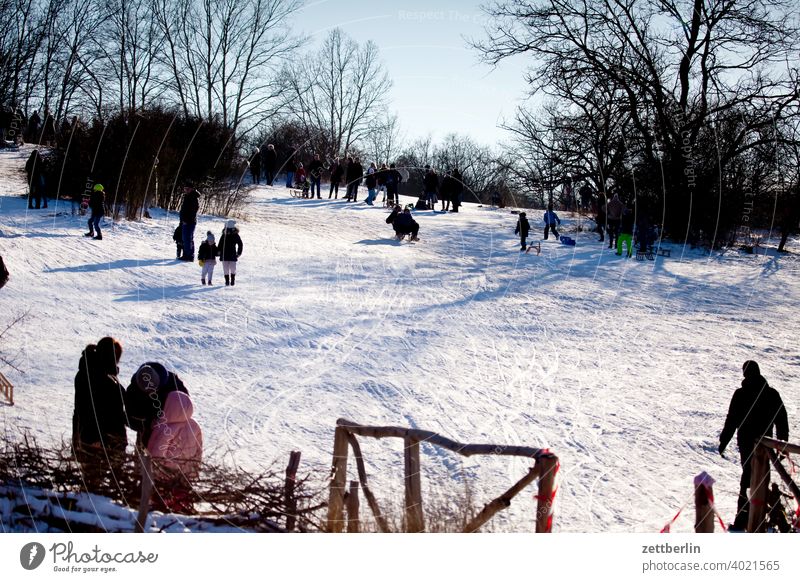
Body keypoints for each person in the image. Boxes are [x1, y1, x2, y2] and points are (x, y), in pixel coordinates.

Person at [719, 361, 789, 530]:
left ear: (745, 374)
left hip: (747, 442)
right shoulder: (771, 394)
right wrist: (781, 443)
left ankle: (745, 517)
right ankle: (758, 514)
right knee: (761, 474)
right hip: (766, 443)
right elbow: (782, 420)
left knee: (748, 475)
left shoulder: (740, 394)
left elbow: (731, 420)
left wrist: (724, 441)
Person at [72, 337, 127, 471]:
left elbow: (80, 410)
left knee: (92, 479)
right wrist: (96, 438)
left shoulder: (86, 373)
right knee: (100, 479)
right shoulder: (102, 378)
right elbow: (93, 410)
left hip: (90, 436)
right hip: (102, 439)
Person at [147, 390, 203, 514]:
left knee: (163, 500)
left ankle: (164, 518)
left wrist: (155, 471)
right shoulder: (195, 426)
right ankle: (180, 515)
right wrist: (194, 470)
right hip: (185, 473)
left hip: (166, 474)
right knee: (181, 498)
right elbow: (199, 451)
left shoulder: (165, 427)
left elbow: (157, 452)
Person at [124, 362, 189, 448]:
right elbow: (131, 417)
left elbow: (186, 407)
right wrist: (149, 424)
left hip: (174, 433)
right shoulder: (133, 390)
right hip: (145, 436)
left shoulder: (174, 384)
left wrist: (166, 421)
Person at [218, 219, 243, 286]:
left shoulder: (235, 235)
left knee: (233, 268)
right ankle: (227, 281)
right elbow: (220, 244)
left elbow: (240, 244)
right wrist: (218, 251)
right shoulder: (224, 235)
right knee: (225, 268)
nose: (228, 231)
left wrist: (239, 252)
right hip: (224, 254)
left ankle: (232, 280)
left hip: (232, 254)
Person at [179, 184, 200, 261]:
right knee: (186, 238)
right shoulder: (187, 197)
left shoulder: (193, 198)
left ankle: (189, 256)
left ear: (191, 189)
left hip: (189, 222)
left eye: (187, 189)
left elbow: (193, 212)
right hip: (185, 221)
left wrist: (186, 221)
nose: (186, 190)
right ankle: (187, 254)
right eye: (185, 189)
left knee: (188, 238)